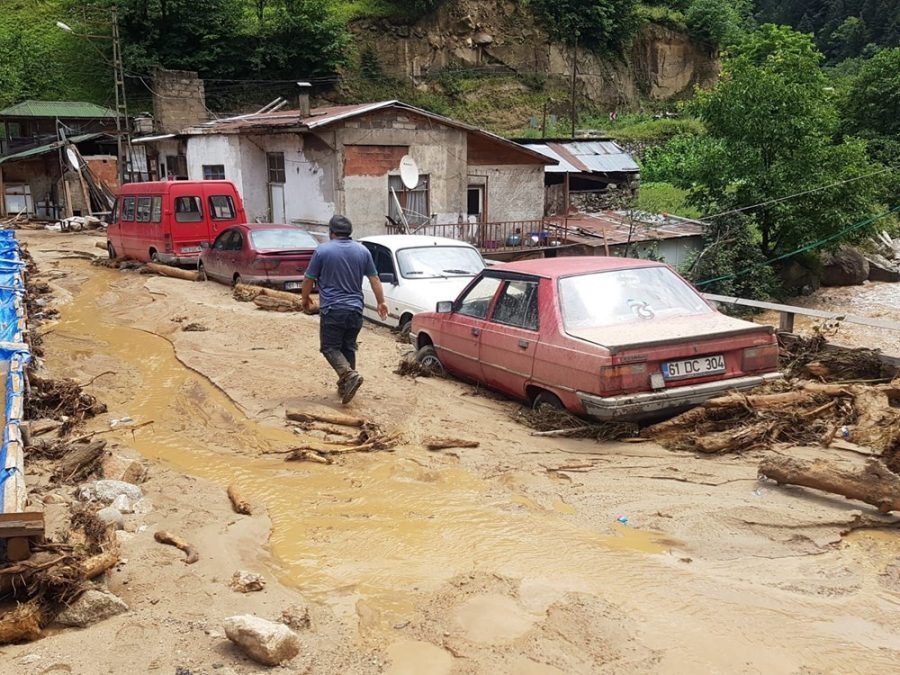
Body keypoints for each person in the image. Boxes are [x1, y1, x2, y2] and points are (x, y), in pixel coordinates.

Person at [301, 215, 388, 404]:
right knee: (348, 347)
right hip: (356, 310)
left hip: (333, 309)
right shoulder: (363, 251)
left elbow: (308, 278)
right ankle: (345, 386)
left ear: (331, 232)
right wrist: (381, 302)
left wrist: (305, 298)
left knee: (329, 347)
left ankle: (348, 375)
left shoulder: (322, 251)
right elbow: (374, 279)